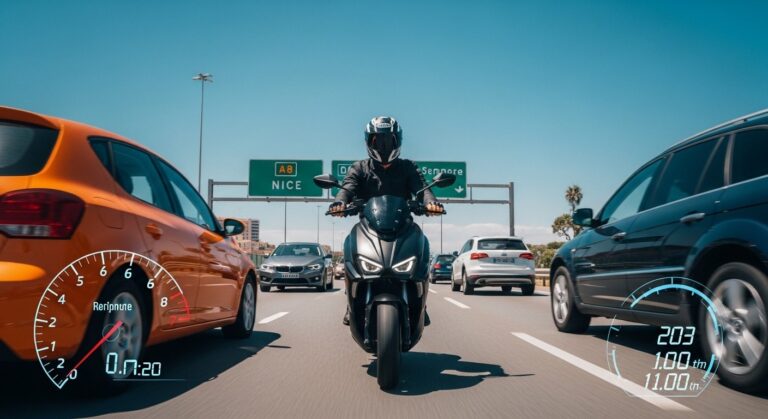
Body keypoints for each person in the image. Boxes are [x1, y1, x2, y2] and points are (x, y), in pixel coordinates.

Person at [331, 116, 444, 326]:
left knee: (422, 244)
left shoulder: (408, 167)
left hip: (403, 226)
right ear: (369, 142)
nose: (383, 145)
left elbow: (423, 188)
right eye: (377, 141)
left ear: (397, 141)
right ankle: (351, 303)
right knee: (350, 244)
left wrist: (431, 203)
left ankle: (421, 304)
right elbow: (348, 187)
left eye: (388, 140)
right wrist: (340, 203)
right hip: (369, 227)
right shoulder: (360, 168)